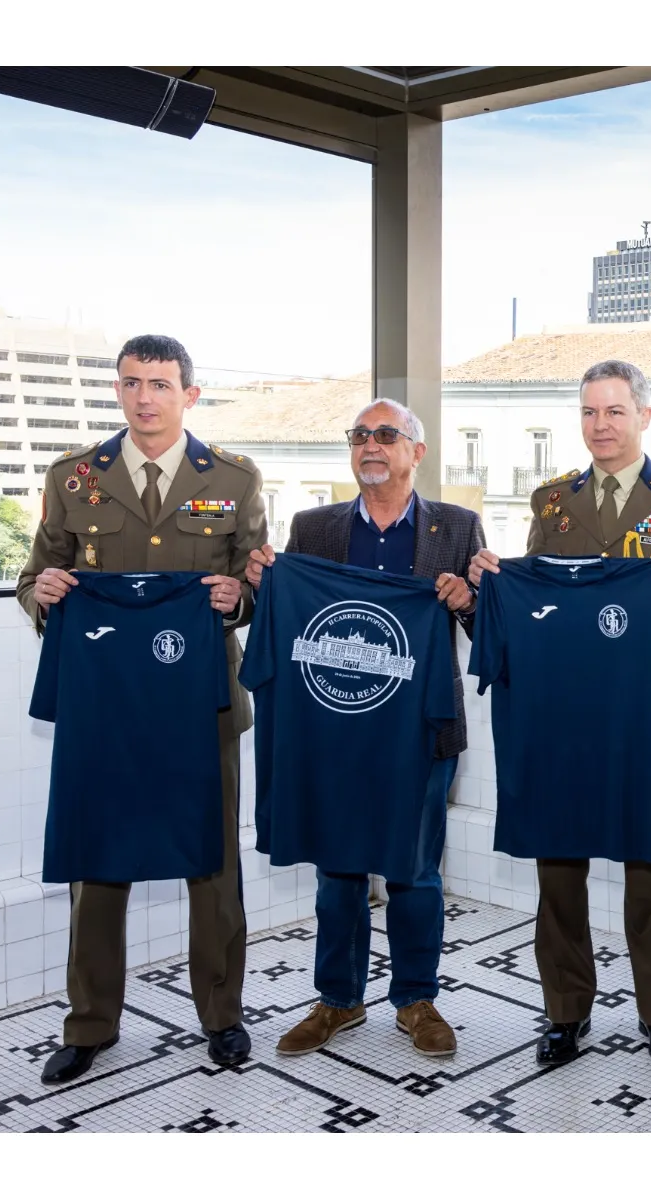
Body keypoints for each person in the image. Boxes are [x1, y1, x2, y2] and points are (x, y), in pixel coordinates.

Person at [468, 359, 651, 1065]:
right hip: (560, 717)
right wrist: (493, 586)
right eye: (589, 412)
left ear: (644, 416)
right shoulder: (552, 501)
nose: (600, 426)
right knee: (559, 869)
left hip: (648, 717)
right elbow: (536, 603)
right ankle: (564, 1012)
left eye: (614, 412)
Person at [16, 334, 266, 1084]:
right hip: (106, 710)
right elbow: (35, 575)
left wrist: (239, 598)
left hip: (202, 706)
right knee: (97, 864)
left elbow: (253, 579)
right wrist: (44, 594)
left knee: (212, 863)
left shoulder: (233, 478)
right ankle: (90, 1023)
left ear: (189, 393)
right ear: (118, 392)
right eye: (131, 383)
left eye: (160, 383)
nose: (144, 397)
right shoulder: (73, 479)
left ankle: (222, 1016)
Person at [245, 399, 484, 1060]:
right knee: (339, 869)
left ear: (416, 452)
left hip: (421, 736)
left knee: (415, 872)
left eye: (385, 434)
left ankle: (415, 999)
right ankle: (339, 1000)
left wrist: (470, 601)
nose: (370, 445)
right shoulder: (314, 527)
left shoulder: (457, 528)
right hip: (336, 733)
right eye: (359, 435)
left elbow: (486, 627)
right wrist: (265, 583)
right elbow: (296, 622)